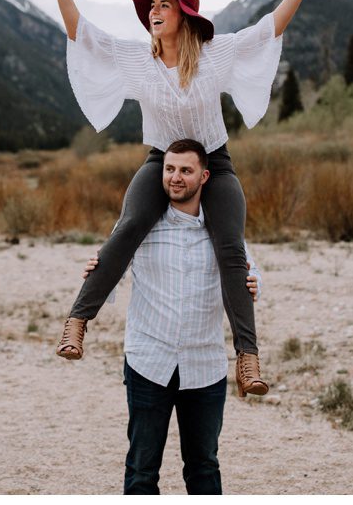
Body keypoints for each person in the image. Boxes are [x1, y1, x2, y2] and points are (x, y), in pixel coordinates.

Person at [41, 0, 326, 397]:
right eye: (151, 5)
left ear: (184, 15)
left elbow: (269, 27)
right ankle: (77, 321)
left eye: (164, 4)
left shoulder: (216, 56)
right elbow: (81, 33)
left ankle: (248, 358)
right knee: (129, 226)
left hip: (215, 160)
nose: (154, 11)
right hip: (161, 159)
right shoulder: (137, 59)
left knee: (230, 246)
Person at [83, 138, 262, 495]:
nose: (175, 178)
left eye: (185, 170)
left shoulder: (223, 234)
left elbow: (246, 272)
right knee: (141, 468)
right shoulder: (139, 227)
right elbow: (113, 267)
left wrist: (255, 284)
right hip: (149, 361)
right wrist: (97, 269)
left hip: (204, 366)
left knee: (203, 467)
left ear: (205, 176)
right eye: (169, 169)